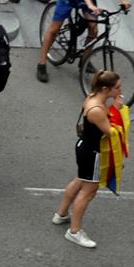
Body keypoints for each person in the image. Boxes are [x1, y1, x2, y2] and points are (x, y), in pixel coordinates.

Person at [54, 70, 125, 250]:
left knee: (79, 180)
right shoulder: (97, 110)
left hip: (84, 147)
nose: (120, 90)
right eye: (117, 87)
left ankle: (61, 214)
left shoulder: (92, 98)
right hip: (93, 153)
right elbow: (112, 132)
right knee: (88, 192)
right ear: (105, 88)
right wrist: (118, 110)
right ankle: (75, 231)